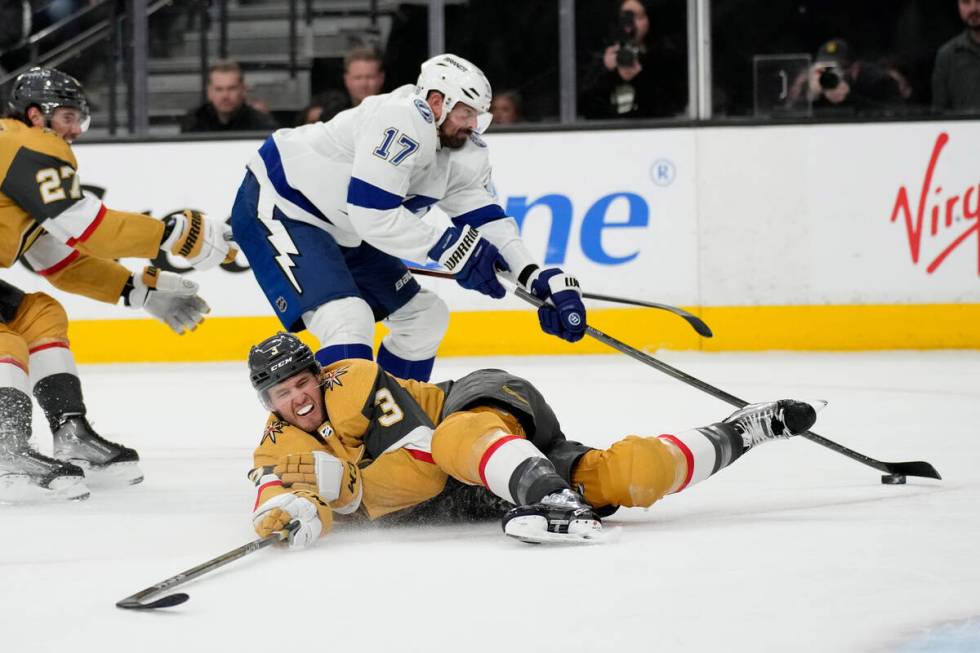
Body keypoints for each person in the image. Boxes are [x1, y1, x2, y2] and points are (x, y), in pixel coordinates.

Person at [246, 333, 818, 546]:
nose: (297, 399)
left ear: (318, 376)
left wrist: (345, 497)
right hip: (491, 484)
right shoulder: (275, 445)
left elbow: (426, 464)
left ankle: (551, 500)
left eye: (302, 383)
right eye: (281, 394)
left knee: (453, 437)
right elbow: (272, 495)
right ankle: (743, 429)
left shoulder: (357, 381)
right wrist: (288, 516)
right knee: (629, 476)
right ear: (266, 404)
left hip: (485, 405)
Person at [230, 54, 587, 384]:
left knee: (425, 318)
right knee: (347, 318)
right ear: (436, 102)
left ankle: (387, 425)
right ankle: (343, 437)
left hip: (347, 228)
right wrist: (448, 247)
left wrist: (533, 276)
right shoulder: (399, 118)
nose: (474, 124)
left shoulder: (463, 149)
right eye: (466, 112)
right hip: (282, 205)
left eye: (479, 114)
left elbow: (488, 221)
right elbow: (372, 214)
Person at [0, 67, 235, 501]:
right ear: (36, 115)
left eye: (79, 119)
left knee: (40, 315)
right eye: (67, 117)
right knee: (4, 342)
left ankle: (71, 432)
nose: (74, 130)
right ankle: (4, 448)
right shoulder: (26, 144)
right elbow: (90, 226)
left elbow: (60, 260)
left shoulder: (13, 157)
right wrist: (172, 235)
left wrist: (139, 291)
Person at [580, 0, 686, 120]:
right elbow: (583, 108)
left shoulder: (663, 56)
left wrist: (640, 77)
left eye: (638, 17)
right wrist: (607, 72)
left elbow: (671, 108)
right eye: (625, 17)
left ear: (648, 20)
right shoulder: (601, 56)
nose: (631, 24)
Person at [789, 39, 906, 116]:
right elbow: (787, 115)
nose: (829, 73)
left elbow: (898, 115)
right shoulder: (810, 80)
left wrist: (849, 97)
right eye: (824, 68)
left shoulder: (877, 80)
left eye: (836, 69)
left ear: (854, 69)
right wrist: (809, 97)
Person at [180, 60, 279, 133]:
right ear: (209, 92)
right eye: (219, 89)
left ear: (243, 90)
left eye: (231, 88)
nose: (225, 95)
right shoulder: (194, 121)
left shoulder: (262, 124)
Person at [932, 0, 980, 113]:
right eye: (966, 2)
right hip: (962, 129)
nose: (973, 9)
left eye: (978, 1)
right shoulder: (947, 55)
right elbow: (939, 112)